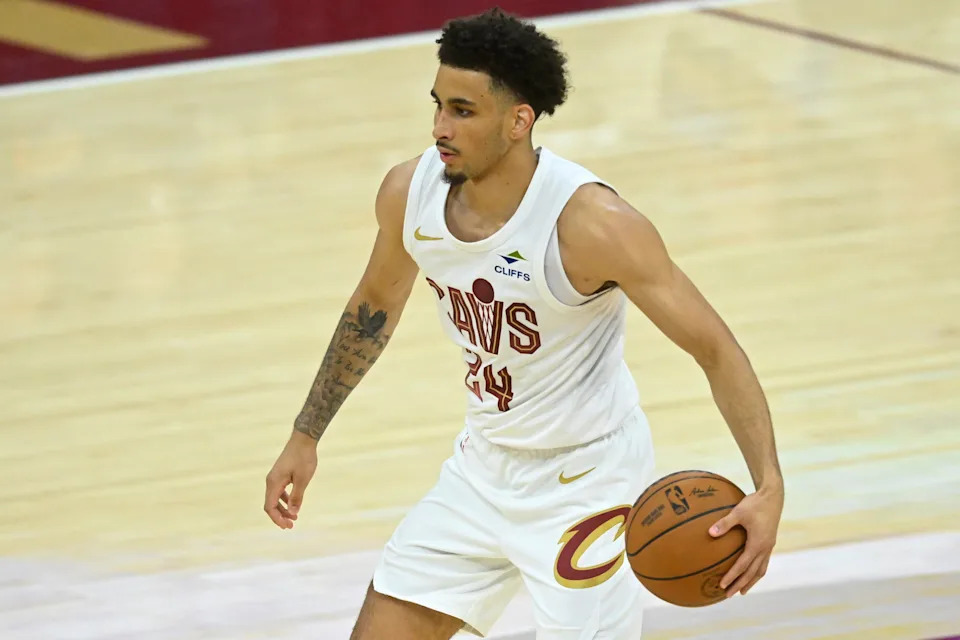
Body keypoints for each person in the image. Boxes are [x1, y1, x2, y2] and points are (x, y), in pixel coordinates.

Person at [264, 8, 784, 640]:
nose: (440, 127)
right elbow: (372, 308)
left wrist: (768, 486)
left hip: (589, 483)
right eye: (438, 105)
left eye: (463, 111)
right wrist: (305, 435)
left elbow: (716, 349)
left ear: (519, 121)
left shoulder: (593, 224)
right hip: (482, 467)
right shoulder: (409, 193)